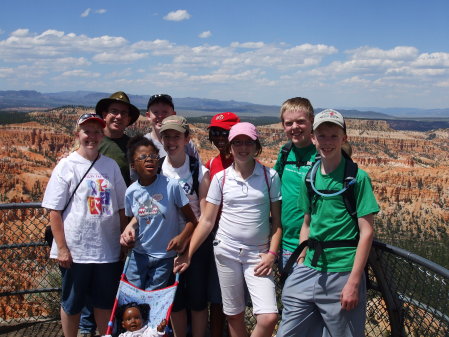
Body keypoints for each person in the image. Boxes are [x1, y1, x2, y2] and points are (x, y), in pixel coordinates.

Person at [277, 109, 380, 337]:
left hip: (342, 271)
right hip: (309, 268)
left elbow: (366, 232)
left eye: (334, 136)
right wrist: (301, 262)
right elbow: (307, 223)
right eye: (322, 136)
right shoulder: (310, 177)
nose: (327, 142)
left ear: (344, 138)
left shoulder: (357, 178)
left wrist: (354, 282)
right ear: (313, 138)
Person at [174, 122, 282, 337]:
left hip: (258, 255)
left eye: (248, 142)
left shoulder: (270, 177)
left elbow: (277, 223)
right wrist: (188, 254)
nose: (243, 148)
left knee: (269, 317)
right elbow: (207, 221)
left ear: (256, 145)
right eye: (237, 143)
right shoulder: (221, 178)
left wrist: (272, 254)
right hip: (226, 251)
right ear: (231, 147)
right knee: (233, 314)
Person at [41, 113, 128, 337]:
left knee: (104, 303)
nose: (92, 136)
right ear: (78, 134)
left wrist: (122, 242)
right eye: (87, 131)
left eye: (97, 132)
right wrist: (61, 248)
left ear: (102, 135)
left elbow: (120, 207)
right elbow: (55, 211)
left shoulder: (110, 166)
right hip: (76, 251)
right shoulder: (66, 166)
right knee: (72, 303)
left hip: (107, 250)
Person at [79, 90, 141, 336]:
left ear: (128, 119)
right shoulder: (91, 141)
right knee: (89, 278)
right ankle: (87, 328)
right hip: (90, 222)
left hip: (120, 221)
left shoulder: (132, 145)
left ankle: (113, 327)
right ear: (104, 114)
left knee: (113, 278)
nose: (118, 116)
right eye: (113, 111)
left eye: (123, 113)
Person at [120, 135, 198, 291]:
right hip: (138, 255)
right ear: (133, 165)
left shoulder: (172, 186)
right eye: (142, 157)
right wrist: (127, 238)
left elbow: (192, 220)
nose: (149, 159)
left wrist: (181, 238)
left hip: (164, 257)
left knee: (153, 300)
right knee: (132, 298)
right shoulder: (131, 192)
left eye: (153, 156)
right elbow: (133, 222)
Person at [158, 116, 210, 337]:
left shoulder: (200, 171)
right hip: (167, 245)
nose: (171, 141)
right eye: (166, 136)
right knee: (175, 301)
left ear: (186, 138)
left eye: (176, 136)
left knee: (198, 302)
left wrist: (188, 250)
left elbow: (205, 216)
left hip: (196, 246)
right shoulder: (157, 169)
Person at [204, 112, 240, 337]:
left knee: (237, 299)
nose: (219, 137)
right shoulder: (211, 164)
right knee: (217, 297)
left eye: (223, 133)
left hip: (241, 237)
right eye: (214, 132)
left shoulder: (244, 161)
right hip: (217, 234)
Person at [273, 97, 318, 274]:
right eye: (289, 123)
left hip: (314, 247)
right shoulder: (285, 153)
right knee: (290, 299)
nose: (295, 127)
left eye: (301, 121)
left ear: (312, 121)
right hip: (286, 244)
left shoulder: (322, 154)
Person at [144, 94, 200, 160]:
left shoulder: (186, 143)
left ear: (173, 115)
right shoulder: (143, 144)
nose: (160, 116)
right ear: (148, 116)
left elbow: (198, 167)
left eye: (165, 112)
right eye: (155, 112)